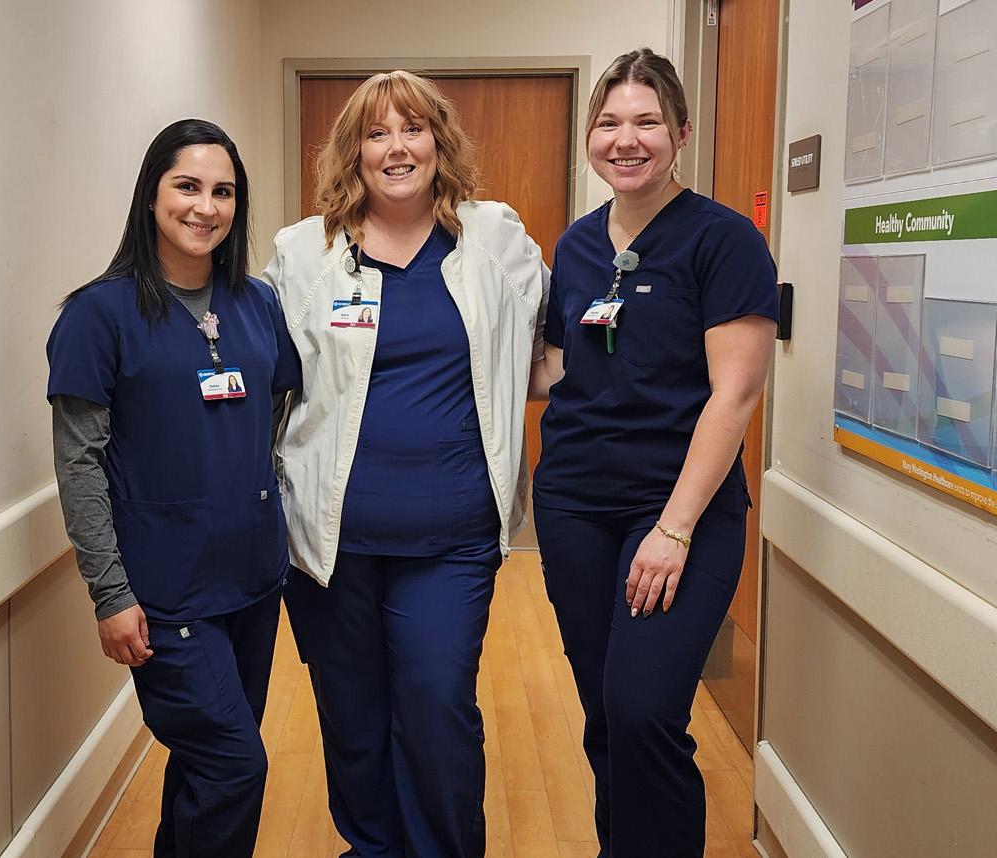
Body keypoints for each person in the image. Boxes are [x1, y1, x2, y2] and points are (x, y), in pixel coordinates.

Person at [264, 70, 549, 857]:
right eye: (376, 133)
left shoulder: (493, 237)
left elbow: (547, 344)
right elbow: (263, 375)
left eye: (413, 129)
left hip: (453, 536)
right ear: (352, 153)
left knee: (435, 704)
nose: (397, 148)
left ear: (439, 142)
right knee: (352, 718)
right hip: (329, 543)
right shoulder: (302, 252)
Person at [527, 48, 779, 858]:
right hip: (573, 504)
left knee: (643, 707)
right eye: (608, 123)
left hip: (680, 510)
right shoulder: (575, 247)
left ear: (680, 132)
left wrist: (671, 531)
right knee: (608, 710)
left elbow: (735, 394)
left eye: (645, 122)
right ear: (590, 137)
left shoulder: (723, 240)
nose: (624, 139)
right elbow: (568, 364)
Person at [46, 118, 300, 857]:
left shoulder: (255, 305)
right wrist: (110, 592)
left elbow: (281, 412)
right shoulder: (100, 314)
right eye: (187, 187)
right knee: (234, 765)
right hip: (166, 592)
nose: (205, 206)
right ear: (151, 196)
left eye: (223, 191)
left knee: (204, 764)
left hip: (253, 582)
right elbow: (79, 462)